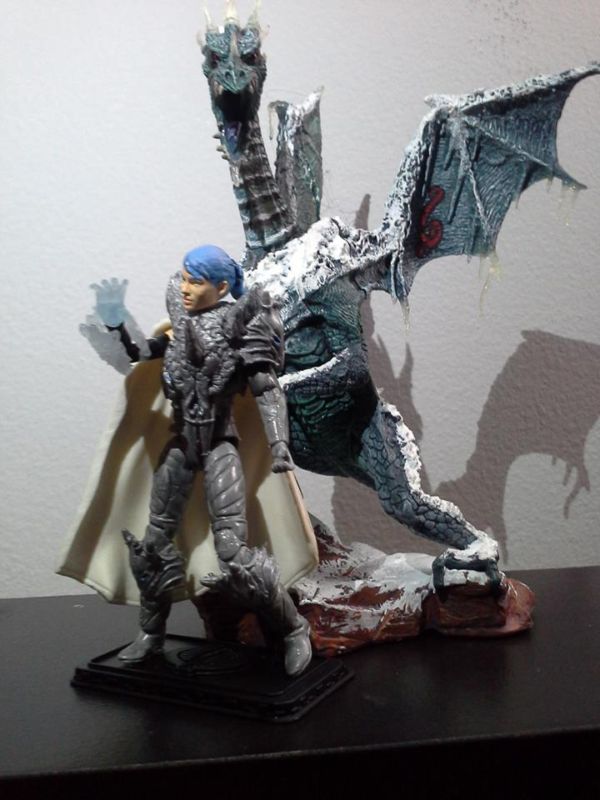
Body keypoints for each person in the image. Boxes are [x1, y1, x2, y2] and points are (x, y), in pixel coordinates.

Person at [94, 244, 312, 677]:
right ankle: (151, 632)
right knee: (152, 542)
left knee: (233, 550)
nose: (186, 288)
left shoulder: (239, 325)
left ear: (222, 286)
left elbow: (267, 388)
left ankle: (293, 628)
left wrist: (278, 444)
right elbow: (141, 353)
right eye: (184, 278)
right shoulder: (179, 325)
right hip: (182, 444)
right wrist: (117, 323)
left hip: (220, 445)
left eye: (196, 281)